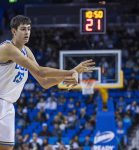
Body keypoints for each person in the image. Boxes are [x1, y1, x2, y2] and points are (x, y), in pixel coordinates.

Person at [0, 15, 95, 150]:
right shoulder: (8, 48)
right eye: (23, 29)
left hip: (8, 105)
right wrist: (70, 72)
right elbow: (40, 71)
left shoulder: (26, 51)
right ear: (14, 31)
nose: (27, 32)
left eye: (29, 29)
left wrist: (73, 71)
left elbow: (44, 82)